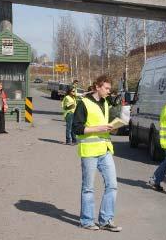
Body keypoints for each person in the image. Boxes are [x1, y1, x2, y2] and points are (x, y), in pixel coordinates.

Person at [73, 75, 122, 232]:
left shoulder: (106, 103)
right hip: (89, 151)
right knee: (88, 187)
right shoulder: (83, 103)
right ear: (97, 87)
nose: (109, 91)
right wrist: (98, 128)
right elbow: (77, 128)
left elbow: (104, 125)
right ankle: (86, 221)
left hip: (105, 149)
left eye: (109, 88)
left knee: (112, 185)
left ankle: (105, 220)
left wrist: (112, 128)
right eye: (106, 88)